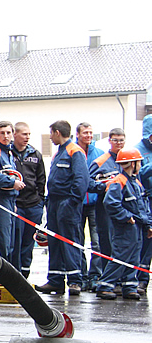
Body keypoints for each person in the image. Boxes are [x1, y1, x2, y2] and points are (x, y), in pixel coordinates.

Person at [36, 120, 89, 296]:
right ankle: (56, 280)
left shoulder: (75, 151)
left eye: (51, 133)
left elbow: (81, 179)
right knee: (55, 241)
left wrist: (72, 202)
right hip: (54, 204)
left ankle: (75, 281)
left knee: (69, 240)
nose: (50, 137)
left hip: (67, 204)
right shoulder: (60, 152)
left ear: (58, 132)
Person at [95, 148, 152, 300]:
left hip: (137, 227)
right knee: (121, 256)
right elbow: (110, 203)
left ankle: (129, 285)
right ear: (132, 164)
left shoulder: (136, 183)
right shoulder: (118, 182)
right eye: (139, 162)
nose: (140, 165)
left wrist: (148, 225)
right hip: (125, 228)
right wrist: (126, 217)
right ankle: (105, 285)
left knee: (134, 257)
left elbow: (143, 206)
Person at [88, 128, 126, 287]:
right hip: (105, 209)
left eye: (121, 140)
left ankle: (124, 280)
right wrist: (105, 186)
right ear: (110, 140)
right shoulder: (101, 160)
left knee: (124, 244)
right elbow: (89, 183)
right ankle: (108, 281)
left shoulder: (129, 159)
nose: (119, 143)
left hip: (125, 208)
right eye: (115, 140)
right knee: (107, 244)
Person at [0, 121, 25, 264]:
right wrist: (12, 183)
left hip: (10, 201)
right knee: (1, 241)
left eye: (8, 133)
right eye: (2, 133)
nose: (5, 136)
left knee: (11, 243)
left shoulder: (9, 152)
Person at [10, 122, 45, 278]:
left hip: (33, 205)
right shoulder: (8, 152)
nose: (27, 137)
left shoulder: (35, 154)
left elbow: (41, 179)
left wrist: (40, 201)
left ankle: (25, 273)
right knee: (15, 242)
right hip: (16, 205)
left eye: (29, 134)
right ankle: (14, 273)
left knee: (28, 243)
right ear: (15, 134)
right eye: (24, 134)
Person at [74, 122, 104, 290]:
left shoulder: (100, 154)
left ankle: (95, 275)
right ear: (77, 134)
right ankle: (82, 274)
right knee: (78, 240)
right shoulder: (71, 152)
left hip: (94, 203)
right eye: (85, 132)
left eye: (91, 132)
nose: (88, 135)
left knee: (96, 240)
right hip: (77, 203)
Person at [136, 115, 152, 292]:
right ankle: (142, 278)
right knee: (146, 241)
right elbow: (138, 175)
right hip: (147, 200)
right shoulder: (137, 151)